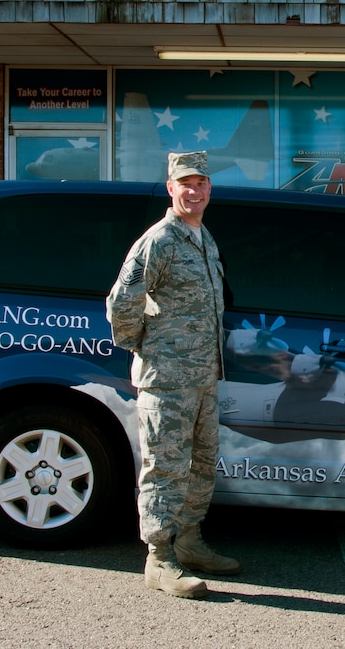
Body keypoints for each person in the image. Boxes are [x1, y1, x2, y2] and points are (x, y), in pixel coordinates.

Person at [106, 150, 240, 599]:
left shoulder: (203, 237)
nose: (194, 190)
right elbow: (122, 302)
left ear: (208, 189)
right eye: (185, 182)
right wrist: (146, 345)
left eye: (201, 182)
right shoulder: (160, 240)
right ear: (170, 187)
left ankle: (189, 541)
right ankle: (160, 558)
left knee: (201, 463)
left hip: (203, 377)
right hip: (167, 379)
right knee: (164, 467)